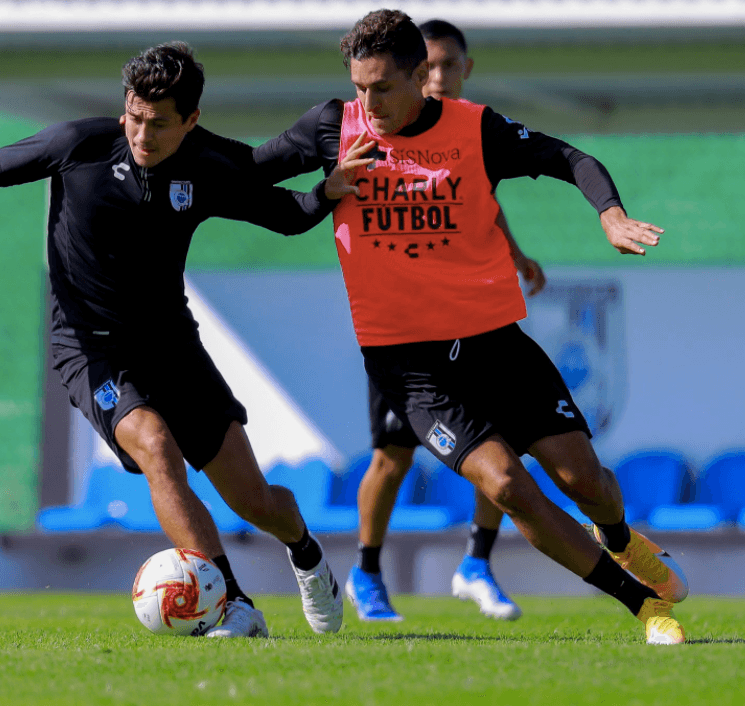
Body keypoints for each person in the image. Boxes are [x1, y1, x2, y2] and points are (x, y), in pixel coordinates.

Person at [0, 42, 368, 639]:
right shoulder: (81, 144)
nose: (142, 134)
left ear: (191, 121)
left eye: (159, 123)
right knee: (155, 446)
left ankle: (306, 554)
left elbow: (284, 213)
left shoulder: (206, 163)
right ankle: (231, 604)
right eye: (134, 116)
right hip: (90, 349)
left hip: (173, 347)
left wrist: (327, 193)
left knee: (254, 500)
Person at [251, 10, 689, 644]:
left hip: (493, 344)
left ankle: (619, 537)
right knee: (506, 484)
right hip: (409, 367)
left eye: (382, 87)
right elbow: (247, 176)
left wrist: (611, 214)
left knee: (584, 481)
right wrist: (325, 192)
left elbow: (570, 157)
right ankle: (645, 607)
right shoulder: (331, 127)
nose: (368, 104)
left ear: (419, 77)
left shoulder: (474, 129)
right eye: (359, 87)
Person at [346, 19, 547, 624]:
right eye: (427, 67)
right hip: (403, 333)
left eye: (447, 66)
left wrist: (514, 252)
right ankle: (366, 571)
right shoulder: (375, 126)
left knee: (502, 442)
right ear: (412, 72)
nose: (437, 77)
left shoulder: (471, 128)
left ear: (465, 69)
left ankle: (477, 562)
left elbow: (476, 201)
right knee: (393, 457)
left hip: (469, 322)